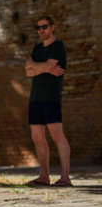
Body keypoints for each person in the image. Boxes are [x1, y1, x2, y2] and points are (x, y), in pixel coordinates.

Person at [25, 15, 71, 187]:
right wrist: (43, 68)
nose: (41, 30)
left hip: (51, 97)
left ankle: (65, 177)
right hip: (35, 98)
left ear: (53, 27)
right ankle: (44, 176)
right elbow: (27, 72)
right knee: (37, 137)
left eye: (44, 27)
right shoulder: (37, 49)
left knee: (56, 135)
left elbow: (45, 67)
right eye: (38, 28)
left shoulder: (58, 46)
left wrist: (35, 66)